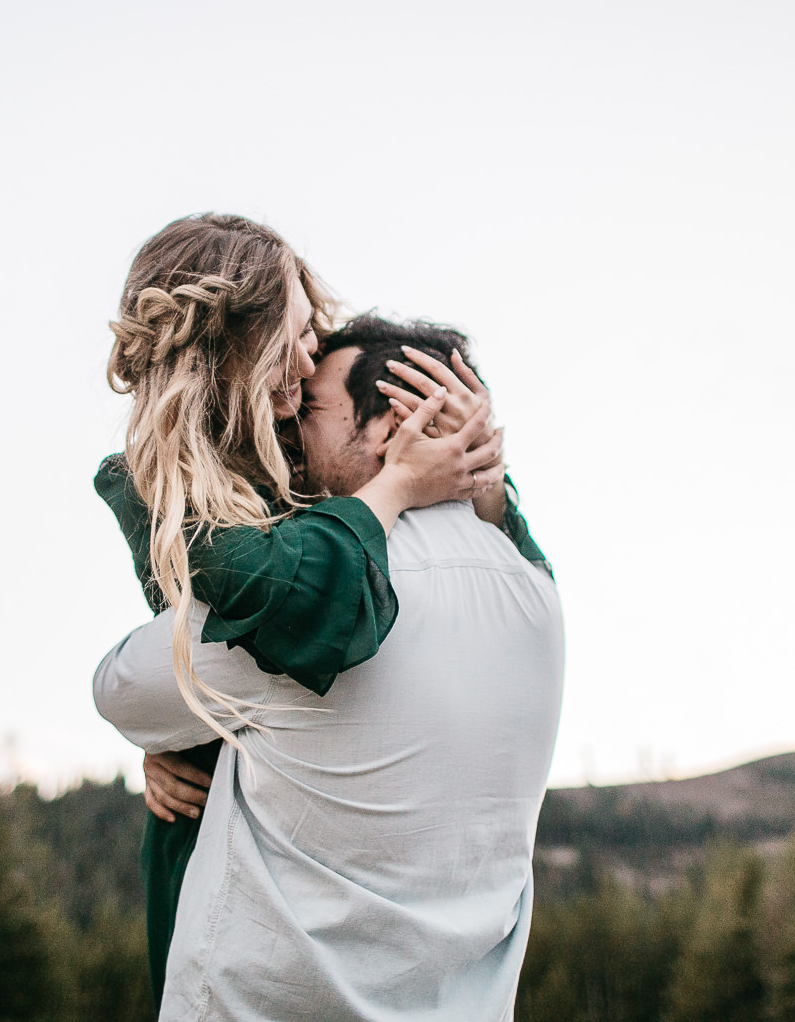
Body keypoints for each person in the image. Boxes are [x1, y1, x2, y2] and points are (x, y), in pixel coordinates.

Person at [96, 215, 528, 995]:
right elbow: (297, 609)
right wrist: (399, 486)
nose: (310, 356)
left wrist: (481, 479)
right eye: (294, 336)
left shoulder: (302, 453)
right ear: (234, 346)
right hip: (220, 830)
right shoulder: (158, 488)